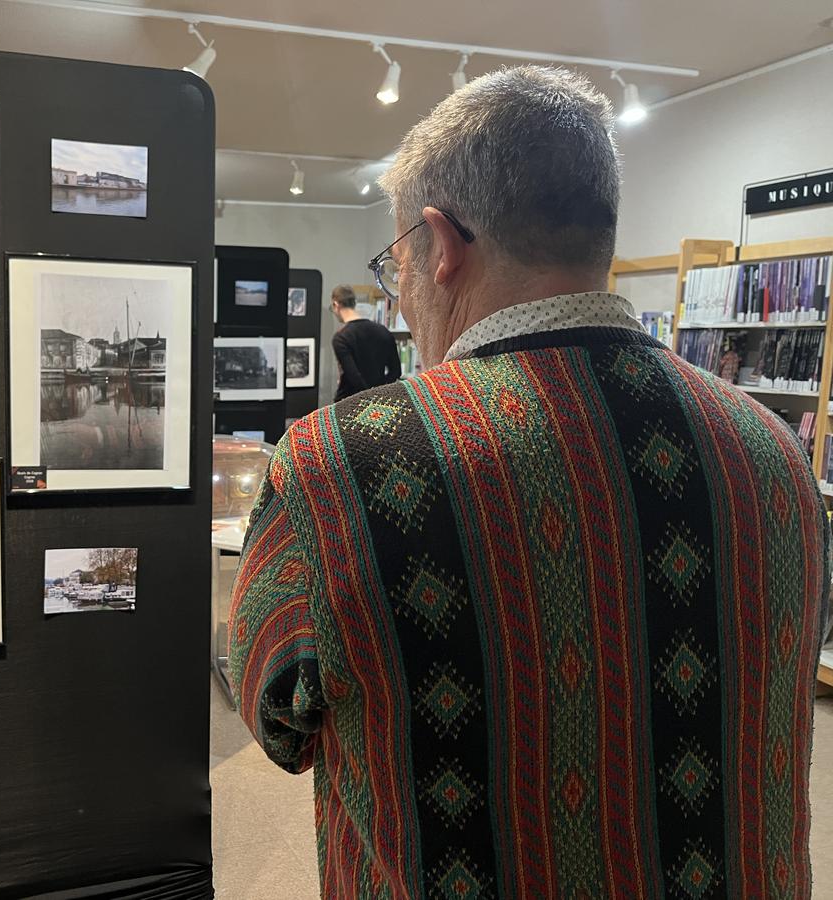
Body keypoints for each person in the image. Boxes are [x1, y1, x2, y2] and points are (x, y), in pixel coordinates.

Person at [228, 65, 828, 898]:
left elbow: (276, 719)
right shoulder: (775, 455)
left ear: (439, 245)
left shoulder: (337, 466)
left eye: (397, 256)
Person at [329, 284, 402, 400]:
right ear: (354, 303)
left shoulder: (341, 338)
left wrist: (367, 397)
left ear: (336, 304)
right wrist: (377, 393)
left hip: (348, 401)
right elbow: (396, 372)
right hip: (379, 400)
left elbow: (353, 377)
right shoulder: (383, 331)